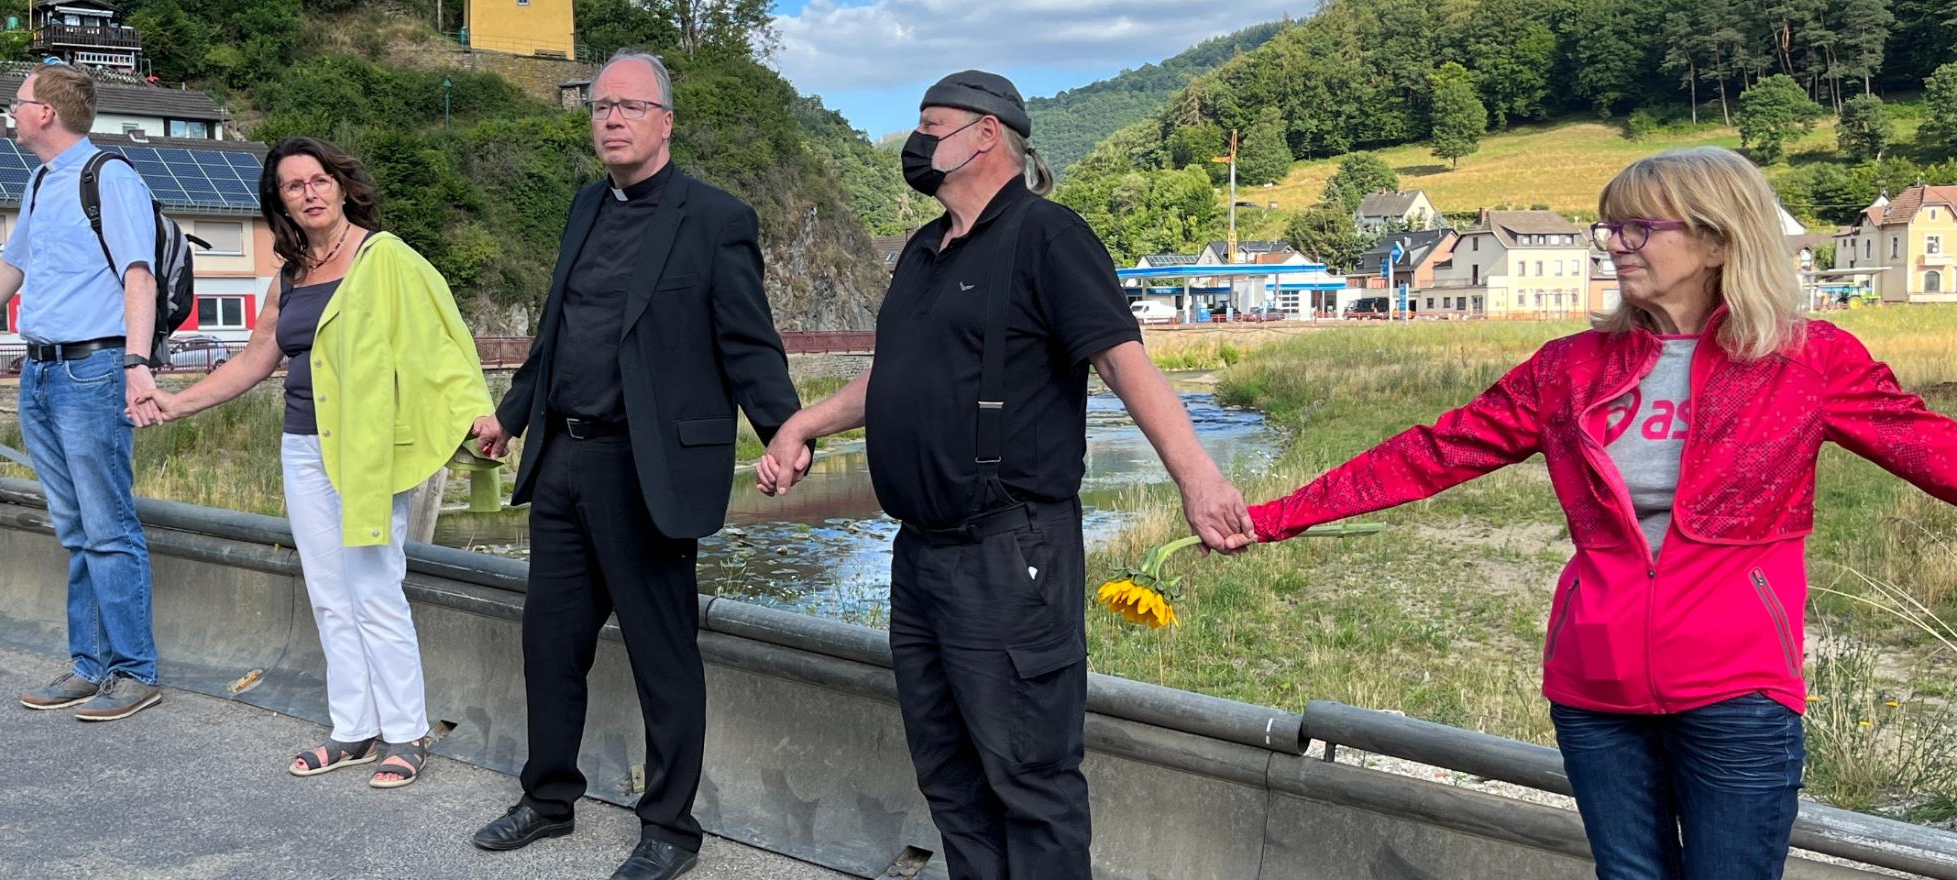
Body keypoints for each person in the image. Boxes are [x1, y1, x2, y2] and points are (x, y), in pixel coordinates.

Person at [1243, 147, 1957, 878]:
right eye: (1609, 228)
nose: (1615, 244)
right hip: (1594, 687)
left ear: (1716, 238)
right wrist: (1272, 517)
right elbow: (1433, 453)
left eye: (1638, 228)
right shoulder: (1569, 368)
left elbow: (1936, 452)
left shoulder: (1809, 361)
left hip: (1738, 688)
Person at [754, 71, 1255, 880]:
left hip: (1009, 554)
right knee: (949, 778)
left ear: (987, 135)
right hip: (920, 555)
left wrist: (1196, 477)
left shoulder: (1048, 237)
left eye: (931, 124)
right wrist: (804, 423)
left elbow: (1124, 362)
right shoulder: (923, 250)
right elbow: (900, 376)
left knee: (1031, 779)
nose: (915, 142)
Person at [465, 51, 804, 880]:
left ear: (666, 121)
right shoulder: (584, 207)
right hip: (562, 463)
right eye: (600, 105)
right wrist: (509, 416)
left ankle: (670, 830)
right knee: (550, 645)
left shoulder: (716, 219)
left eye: (630, 106)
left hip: (644, 470)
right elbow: (556, 336)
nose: (611, 118)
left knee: (662, 657)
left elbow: (748, 344)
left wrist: (786, 432)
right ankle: (548, 799)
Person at [142, 136, 491, 788]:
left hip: (362, 450)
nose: (309, 192)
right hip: (302, 447)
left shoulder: (384, 259)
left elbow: (438, 343)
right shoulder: (292, 274)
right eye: (293, 186)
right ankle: (352, 729)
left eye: (318, 179)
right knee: (330, 595)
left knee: (375, 587)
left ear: (341, 183)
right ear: (281, 202)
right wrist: (177, 404)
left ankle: (407, 730)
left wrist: (476, 416)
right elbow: (254, 360)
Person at [0, 62, 168, 722]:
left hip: (92, 372)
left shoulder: (109, 177)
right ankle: (89, 664)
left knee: (107, 524)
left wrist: (135, 363)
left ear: (47, 113)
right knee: (75, 529)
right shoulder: (41, 180)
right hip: (40, 372)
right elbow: (13, 266)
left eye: (19, 102)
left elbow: (139, 276)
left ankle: (133, 670)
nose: (12, 111)